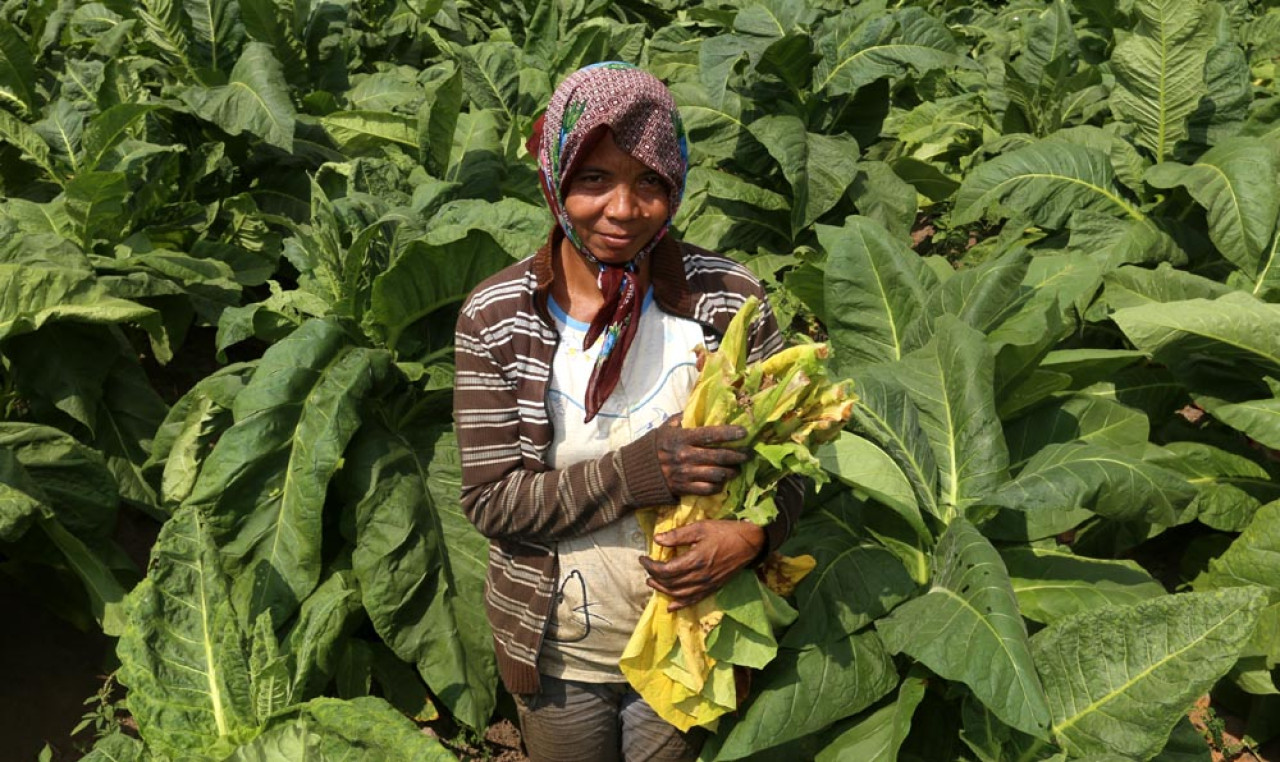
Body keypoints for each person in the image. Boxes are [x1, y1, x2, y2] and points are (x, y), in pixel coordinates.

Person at [453, 62, 802, 762]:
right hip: (559, 653)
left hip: (693, 636)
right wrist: (644, 471)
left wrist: (754, 537)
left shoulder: (727, 302)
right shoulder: (497, 318)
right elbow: (491, 503)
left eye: (650, 183)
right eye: (594, 180)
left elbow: (793, 459)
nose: (622, 209)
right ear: (553, 178)